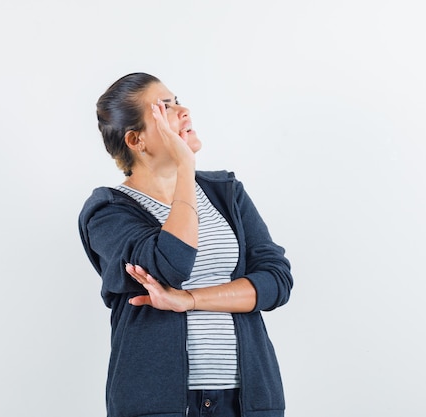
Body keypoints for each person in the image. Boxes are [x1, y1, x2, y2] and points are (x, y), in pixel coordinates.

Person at [78, 72, 293, 417]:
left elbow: (276, 281)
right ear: (136, 140)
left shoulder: (226, 193)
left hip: (247, 399)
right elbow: (171, 263)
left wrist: (190, 300)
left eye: (177, 100)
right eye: (165, 108)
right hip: (157, 403)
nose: (184, 111)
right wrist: (185, 167)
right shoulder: (108, 212)